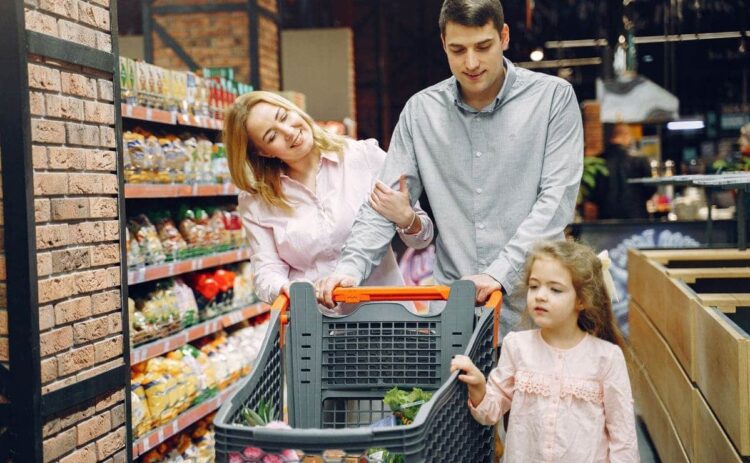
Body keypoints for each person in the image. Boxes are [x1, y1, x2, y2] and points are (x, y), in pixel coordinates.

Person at [316, 0, 583, 334]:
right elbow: (383, 204)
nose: (471, 63)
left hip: (534, 304)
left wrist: (499, 273)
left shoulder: (552, 99)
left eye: (483, 47)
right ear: (443, 44)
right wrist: (350, 268)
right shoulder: (421, 112)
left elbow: (555, 202)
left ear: (504, 37)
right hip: (453, 309)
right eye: (457, 50)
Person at [224, 91, 434, 311]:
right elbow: (266, 271)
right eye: (271, 136)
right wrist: (286, 288)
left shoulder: (363, 157)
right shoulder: (257, 201)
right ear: (263, 152)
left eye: (283, 116)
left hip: (384, 319)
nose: (288, 132)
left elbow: (422, 238)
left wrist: (407, 219)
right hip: (316, 327)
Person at [450, 240, 639, 462]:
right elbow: (490, 412)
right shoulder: (517, 346)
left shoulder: (606, 358)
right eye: (534, 286)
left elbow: (623, 438)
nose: (540, 295)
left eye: (555, 289)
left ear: (582, 299)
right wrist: (479, 386)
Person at [589, 123, 655, 220]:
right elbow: (651, 189)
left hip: (606, 218)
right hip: (636, 217)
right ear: (626, 136)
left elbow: (592, 194)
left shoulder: (598, 161)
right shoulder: (640, 160)